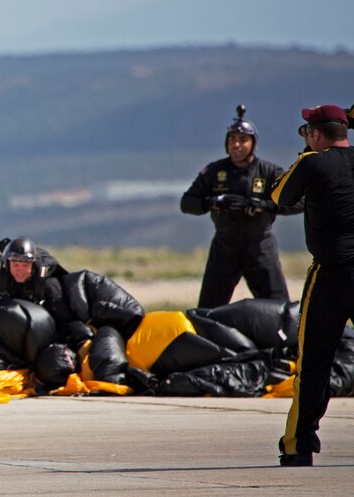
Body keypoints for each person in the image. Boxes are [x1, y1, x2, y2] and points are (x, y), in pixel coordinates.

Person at [271, 104, 354, 467]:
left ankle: (298, 444)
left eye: (307, 131)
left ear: (317, 134)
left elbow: (279, 196)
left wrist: (306, 153)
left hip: (331, 275)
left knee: (315, 362)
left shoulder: (312, 162)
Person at [180, 104, 303, 309]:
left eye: (242, 140)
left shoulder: (269, 172)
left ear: (253, 144)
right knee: (207, 311)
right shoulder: (214, 171)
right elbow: (187, 203)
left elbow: (299, 201)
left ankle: (282, 342)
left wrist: (265, 205)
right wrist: (213, 202)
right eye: (232, 140)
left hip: (260, 248)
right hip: (224, 248)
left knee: (279, 310)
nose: (236, 145)